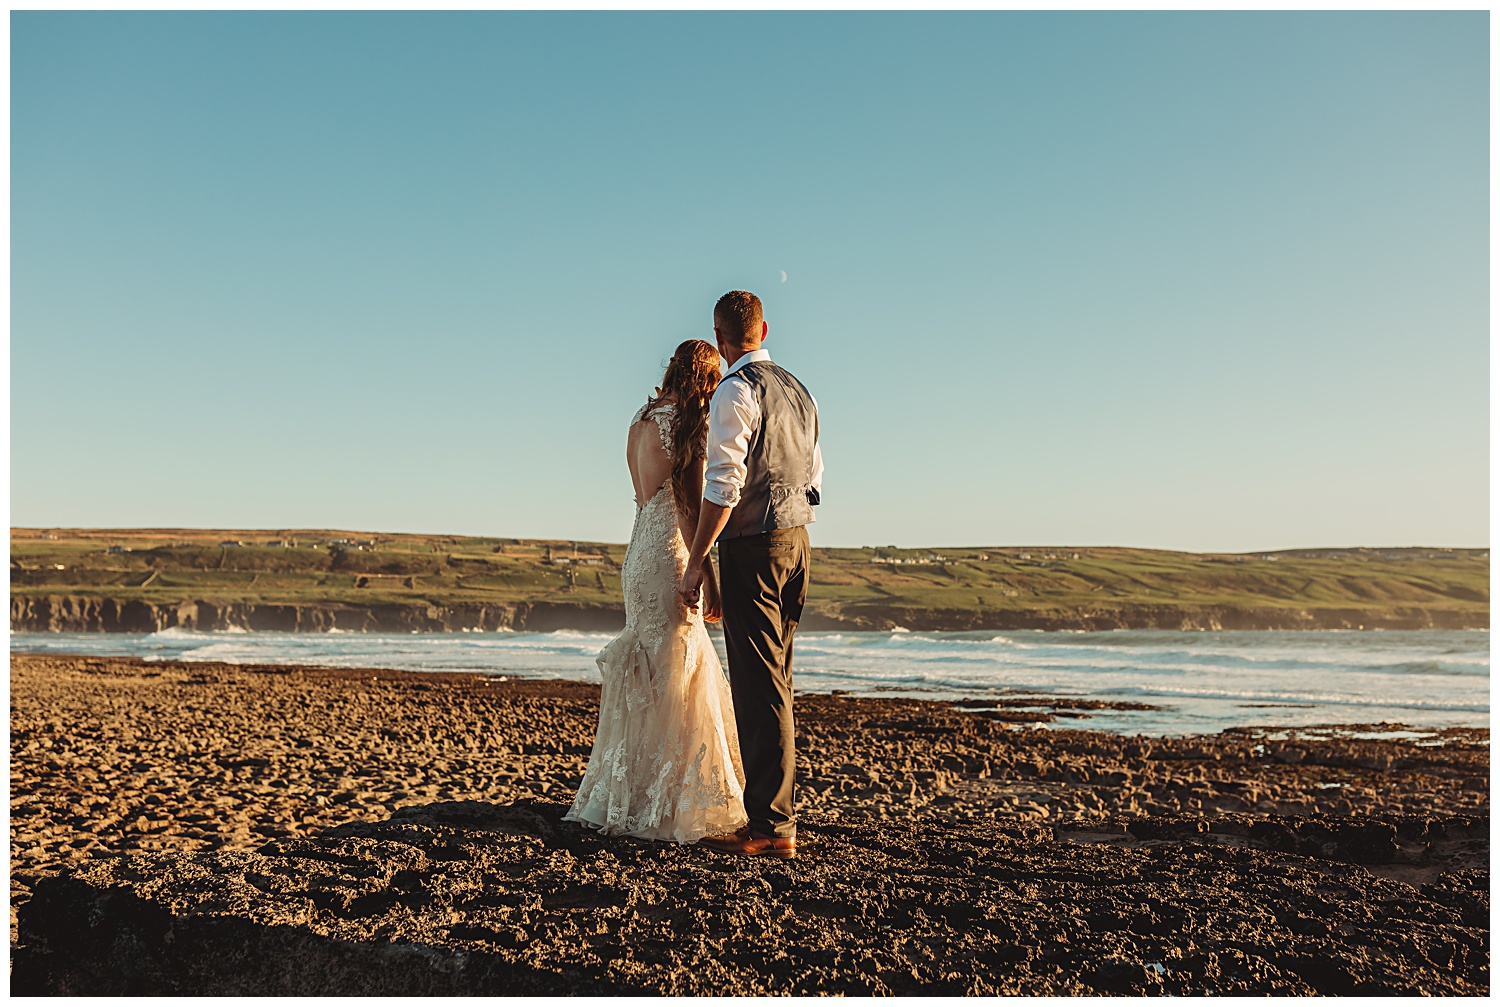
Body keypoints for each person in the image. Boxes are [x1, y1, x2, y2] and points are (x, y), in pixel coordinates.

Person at [563, 340, 749, 844]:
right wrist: (704, 572)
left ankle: (632, 791)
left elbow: (645, 495)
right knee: (677, 666)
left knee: (647, 663)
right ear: (707, 379)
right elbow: (690, 506)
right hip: (670, 553)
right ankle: (667, 801)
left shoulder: (640, 419)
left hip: (638, 551)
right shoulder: (689, 420)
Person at [680, 290, 823, 859]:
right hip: (798, 541)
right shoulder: (802, 392)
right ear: (764, 330)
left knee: (759, 685)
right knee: (777, 680)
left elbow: (722, 487)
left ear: (721, 339)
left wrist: (696, 561)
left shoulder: (734, 392)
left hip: (753, 546)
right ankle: (774, 816)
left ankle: (771, 827)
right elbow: (815, 474)